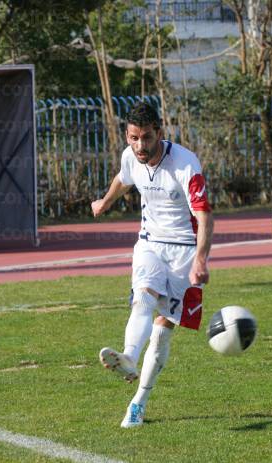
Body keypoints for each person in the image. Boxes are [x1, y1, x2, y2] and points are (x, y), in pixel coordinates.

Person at [91, 102, 213, 428]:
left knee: (161, 335)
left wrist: (201, 259)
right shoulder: (131, 156)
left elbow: (204, 216)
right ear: (127, 136)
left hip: (185, 252)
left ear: (160, 132)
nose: (140, 145)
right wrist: (104, 202)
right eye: (134, 138)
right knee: (143, 294)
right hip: (149, 243)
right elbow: (123, 177)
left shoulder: (186, 164)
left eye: (146, 137)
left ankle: (139, 402)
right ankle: (128, 356)